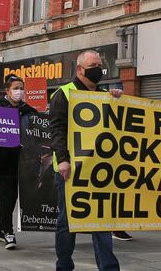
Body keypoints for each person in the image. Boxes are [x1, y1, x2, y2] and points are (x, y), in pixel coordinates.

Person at [50, 50, 123, 271]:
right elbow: (57, 129)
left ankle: (108, 267)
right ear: (80, 69)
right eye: (93, 64)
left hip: (97, 169)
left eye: (100, 64)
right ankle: (64, 265)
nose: (99, 69)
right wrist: (63, 160)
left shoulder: (103, 94)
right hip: (70, 170)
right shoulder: (64, 93)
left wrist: (118, 101)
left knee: (101, 219)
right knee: (68, 221)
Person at [0, 74, 39, 249]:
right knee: (6, 196)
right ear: (7, 91)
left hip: (21, 161)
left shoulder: (28, 110)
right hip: (1, 162)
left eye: (21, 88)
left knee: (12, 198)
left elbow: (39, 127)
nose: (19, 91)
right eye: (15, 88)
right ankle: (8, 232)